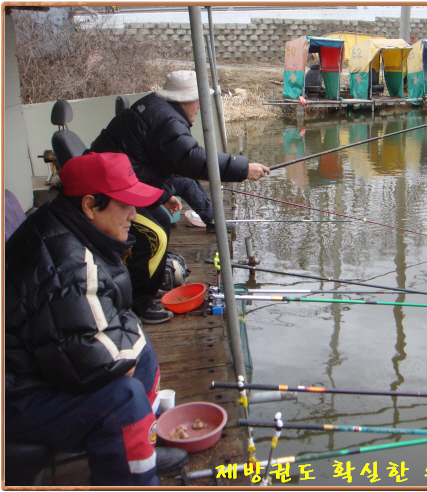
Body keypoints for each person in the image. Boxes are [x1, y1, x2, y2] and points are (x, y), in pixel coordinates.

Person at [5, 153, 188, 486]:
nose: (134, 214)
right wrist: (128, 337)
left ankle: (140, 445)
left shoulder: (71, 225)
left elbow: (108, 316)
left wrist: (130, 334)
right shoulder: (66, 264)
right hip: (18, 395)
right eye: (125, 204)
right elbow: (99, 364)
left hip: (42, 361)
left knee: (142, 353)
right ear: (90, 205)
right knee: (123, 401)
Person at [89, 70, 271, 324]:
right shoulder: (167, 119)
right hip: (108, 194)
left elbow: (149, 162)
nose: (200, 107)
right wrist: (243, 168)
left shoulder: (156, 108)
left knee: (161, 222)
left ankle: (145, 287)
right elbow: (191, 159)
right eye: (198, 101)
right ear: (186, 100)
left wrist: (163, 195)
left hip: (123, 185)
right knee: (154, 235)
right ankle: (139, 303)